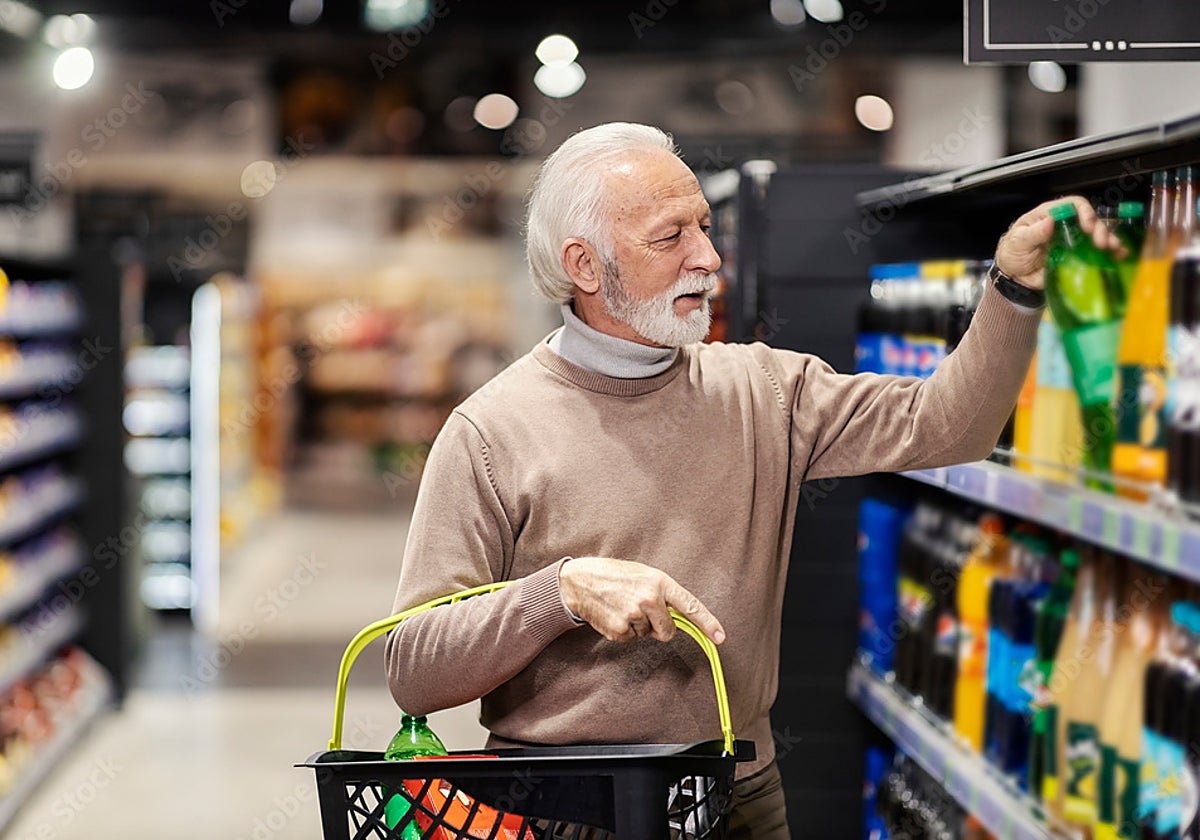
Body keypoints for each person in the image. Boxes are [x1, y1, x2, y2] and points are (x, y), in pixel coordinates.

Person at [385, 122, 1120, 838]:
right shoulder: (491, 432)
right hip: (563, 810)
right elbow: (415, 670)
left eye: (704, 228)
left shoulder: (764, 388)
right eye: (671, 236)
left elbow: (948, 426)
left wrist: (1014, 286)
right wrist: (563, 591)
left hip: (741, 800)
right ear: (584, 266)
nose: (707, 258)